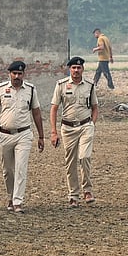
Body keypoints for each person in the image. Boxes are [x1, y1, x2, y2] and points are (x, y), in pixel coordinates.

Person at [0, 61, 44, 213]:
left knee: (20, 169)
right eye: (14, 73)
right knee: (7, 171)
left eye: (19, 74)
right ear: (9, 74)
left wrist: (41, 136)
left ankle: (18, 201)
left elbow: (36, 113)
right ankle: (10, 197)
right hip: (5, 135)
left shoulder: (30, 90)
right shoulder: (1, 89)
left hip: (24, 134)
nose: (17, 76)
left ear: (24, 74)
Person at [49, 56, 99, 208]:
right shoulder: (61, 85)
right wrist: (53, 131)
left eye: (79, 68)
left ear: (83, 69)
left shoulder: (89, 85)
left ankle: (87, 191)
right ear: (69, 69)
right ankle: (73, 195)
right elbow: (54, 108)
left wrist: (92, 123)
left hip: (85, 126)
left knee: (84, 157)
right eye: (73, 68)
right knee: (70, 162)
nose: (76, 70)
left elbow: (95, 107)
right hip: (68, 128)